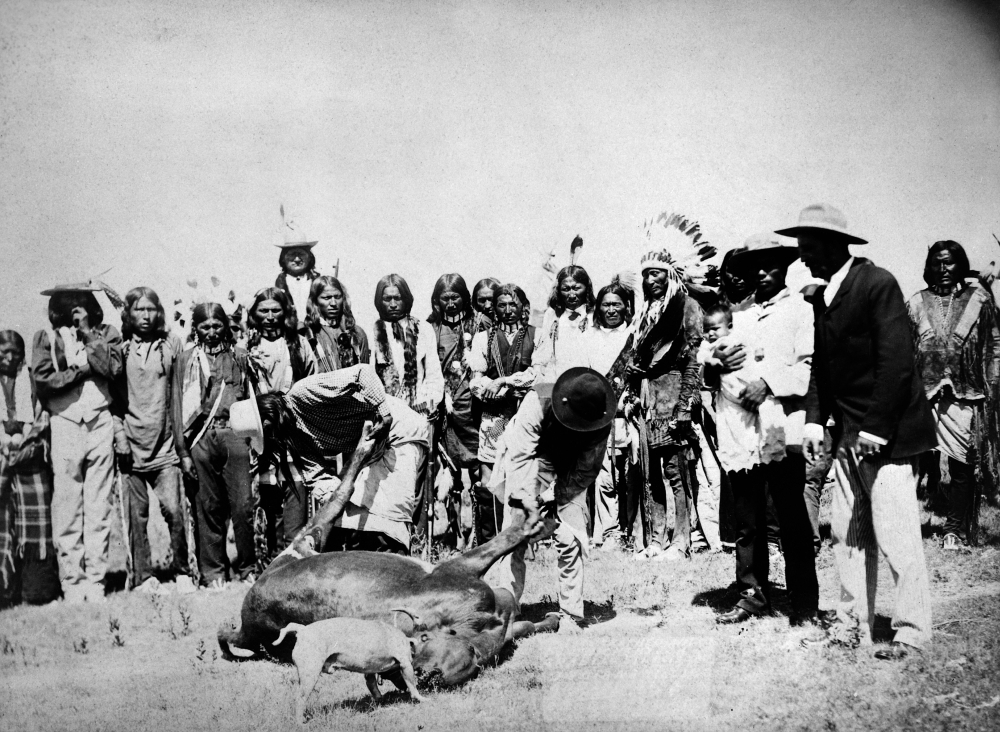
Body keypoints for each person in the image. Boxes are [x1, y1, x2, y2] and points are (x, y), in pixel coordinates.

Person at [785, 203, 935, 660]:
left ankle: (911, 630)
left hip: (887, 436)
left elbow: (896, 363)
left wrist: (875, 429)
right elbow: (823, 370)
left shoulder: (877, 283)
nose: (803, 258)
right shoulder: (822, 296)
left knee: (894, 533)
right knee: (849, 535)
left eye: (808, 248)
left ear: (834, 244)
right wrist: (814, 418)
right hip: (850, 433)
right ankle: (852, 624)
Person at [702, 235, 819, 626]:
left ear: (787, 268)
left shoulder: (801, 310)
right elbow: (716, 358)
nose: (764, 273)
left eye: (772, 266)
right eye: (757, 267)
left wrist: (767, 382)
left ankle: (804, 604)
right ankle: (752, 592)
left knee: (790, 517)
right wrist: (714, 366)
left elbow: (805, 369)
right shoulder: (742, 315)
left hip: (781, 428)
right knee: (747, 520)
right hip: (743, 432)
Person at [230, 364, 429, 555]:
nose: (274, 440)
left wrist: (384, 414)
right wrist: (338, 499)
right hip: (367, 449)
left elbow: (363, 373)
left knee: (388, 523)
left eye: (268, 433)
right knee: (350, 522)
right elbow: (321, 481)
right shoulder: (295, 442)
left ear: (268, 416)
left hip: (398, 431)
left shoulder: (303, 393)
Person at [488, 367, 615, 632]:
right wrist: (528, 500)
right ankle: (507, 606)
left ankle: (571, 613)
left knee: (570, 538)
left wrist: (554, 495)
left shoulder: (600, 421)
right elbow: (521, 456)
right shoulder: (537, 401)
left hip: (568, 468)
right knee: (515, 536)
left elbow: (585, 471)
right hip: (530, 457)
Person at [31, 283, 124, 604]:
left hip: (99, 420)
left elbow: (111, 368)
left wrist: (87, 333)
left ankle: (96, 579)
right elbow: (44, 381)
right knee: (68, 504)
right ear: (57, 304)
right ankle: (72, 581)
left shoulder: (106, 333)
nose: (75, 306)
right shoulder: (46, 336)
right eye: (68, 301)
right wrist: (81, 370)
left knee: (99, 503)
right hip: (65, 421)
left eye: (81, 300)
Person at [624, 215, 709, 562]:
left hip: (673, 398)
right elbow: (635, 362)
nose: (650, 279)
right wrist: (631, 389)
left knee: (677, 471)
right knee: (649, 472)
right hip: (647, 400)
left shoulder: (686, 307)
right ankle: (655, 540)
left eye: (656, 272)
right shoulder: (643, 314)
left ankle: (682, 540)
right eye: (645, 274)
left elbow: (694, 359)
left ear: (670, 274)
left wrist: (686, 404)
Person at [907, 240, 1000, 549]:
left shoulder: (979, 300)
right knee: (909, 466)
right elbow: (904, 352)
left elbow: (994, 346)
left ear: (961, 265)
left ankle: (954, 529)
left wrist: (993, 388)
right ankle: (904, 527)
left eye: (949, 262)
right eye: (936, 263)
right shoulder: (917, 302)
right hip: (923, 396)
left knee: (963, 465)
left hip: (966, 395)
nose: (943, 269)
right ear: (928, 268)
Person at [117, 287, 195, 594]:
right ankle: (143, 577)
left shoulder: (170, 344)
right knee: (137, 515)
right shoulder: (120, 348)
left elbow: (179, 395)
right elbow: (112, 398)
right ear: (128, 313)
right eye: (139, 309)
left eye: (151, 309)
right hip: (131, 447)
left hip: (164, 447)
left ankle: (183, 572)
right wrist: (119, 435)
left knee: (174, 510)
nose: (145, 315)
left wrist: (180, 445)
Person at [172, 302, 254, 587]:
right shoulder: (185, 360)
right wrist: (183, 452)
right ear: (196, 329)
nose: (211, 332)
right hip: (199, 439)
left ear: (226, 326)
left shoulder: (240, 357)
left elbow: (252, 399)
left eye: (217, 325)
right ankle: (213, 573)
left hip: (235, 435)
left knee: (243, 506)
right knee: (208, 506)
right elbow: (177, 405)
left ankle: (247, 568)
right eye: (205, 326)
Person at [244, 287, 317, 565]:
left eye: (276, 310)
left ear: (285, 313)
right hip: (259, 434)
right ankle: (271, 561)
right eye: (264, 311)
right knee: (267, 497)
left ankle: (294, 561)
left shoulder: (299, 344)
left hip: (294, 431)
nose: (270, 316)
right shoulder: (246, 347)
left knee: (296, 490)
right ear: (254, 314)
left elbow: (313, 381)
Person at [468, 284, 539, 545]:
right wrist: (489, 388)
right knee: (489, 477)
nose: (508, 310)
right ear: (494, 308)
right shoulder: (483, 338)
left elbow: (537, 373)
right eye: (502, 305)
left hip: (526, 414)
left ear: (523, 306)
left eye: (513, 304)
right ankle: (490, 539)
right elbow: (476, 377)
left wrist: (506, 382)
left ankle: (525, 537)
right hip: (494, 414)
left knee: (524, 473)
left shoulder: (536, 335)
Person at [0, 331, 60, 607]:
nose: (9, 357)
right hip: (2, 460)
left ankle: (37, 591)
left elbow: (42, 418)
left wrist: (24, 446)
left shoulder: (32, 380)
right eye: (3, 351)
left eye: (15, 352)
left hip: (30, 460)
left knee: (35, 530)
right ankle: (5, 592)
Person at [428, 274, 483, 549]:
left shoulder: (479, 324)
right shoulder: (430, 328)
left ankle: (479, 533)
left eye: (455, 297)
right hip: (444, 410)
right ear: (437, 300)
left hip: (472, 409)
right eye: (445, 298)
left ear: (465, 297)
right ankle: (451, 534)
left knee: (477, 471)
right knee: (446, 474)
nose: (450, 303)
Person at [588, 281, 636, 549]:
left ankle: (631, 529)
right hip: (601, 414)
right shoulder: (591, 337)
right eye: (605, 304)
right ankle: (609, 531)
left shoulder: (633, 336)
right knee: (605, 476)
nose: (611, 309)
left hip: (628, 414)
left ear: (626, 306)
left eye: (616, 304)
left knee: (628, 474)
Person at [371, 274, 444, 418]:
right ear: (379, 301)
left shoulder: (423, 329)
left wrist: (428, 404)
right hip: (385, 415)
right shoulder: (372, 331)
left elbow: (434, 375)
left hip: (419, 412)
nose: (393, 304)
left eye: (397, 298)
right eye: (387, 299)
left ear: (406, 299)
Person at [532, 265, 597, 380]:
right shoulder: (552, 314)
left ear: (587, 288)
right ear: (558, 290)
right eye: (566, 289)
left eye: (576, 288)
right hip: (556, 379)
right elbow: (543, 353)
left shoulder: (594, 315)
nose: (571, 295)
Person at [305, 275, 370, 372]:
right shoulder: (309, 335)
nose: (333, 303)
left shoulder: (357, 334)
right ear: (315, 302)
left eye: (337, 297)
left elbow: (366, 374)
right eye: (326, 298)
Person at [274, 212, 321, 325]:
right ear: (283, 259)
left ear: (309, 257)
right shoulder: (279, 283)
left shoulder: (318, 281)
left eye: (301, 254)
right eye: (291, 255)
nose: (297, 259)